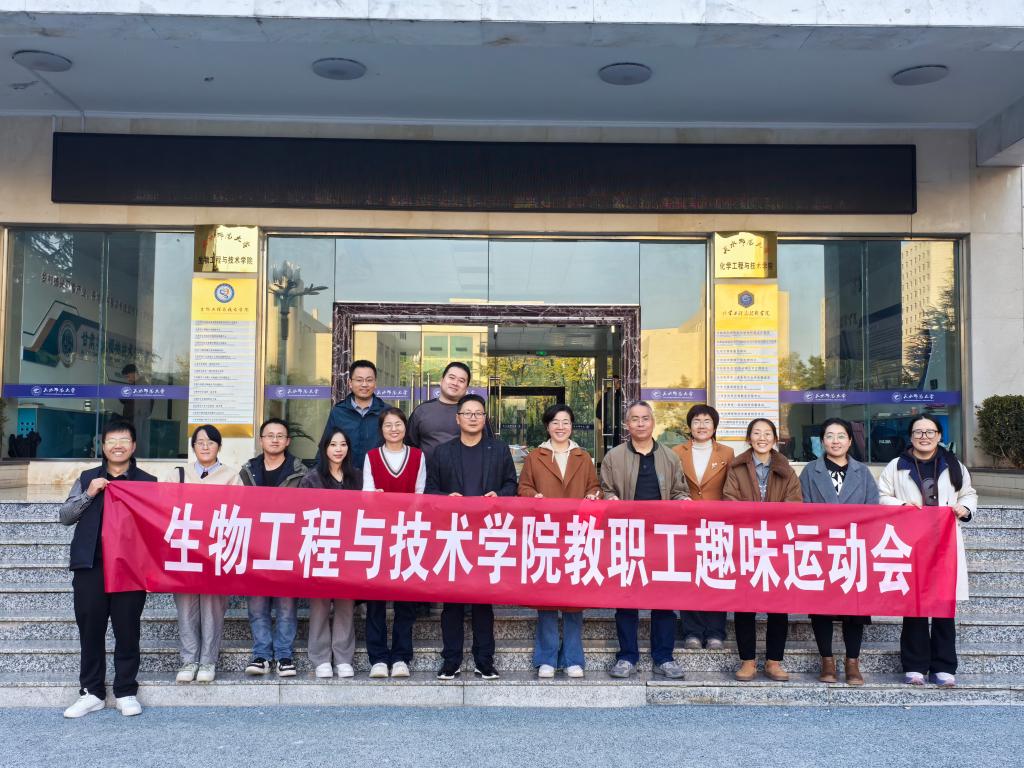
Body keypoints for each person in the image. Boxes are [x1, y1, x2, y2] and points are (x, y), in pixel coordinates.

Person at [59, 420, 157, 718]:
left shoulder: (147, 482)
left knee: (127, 630)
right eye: (111, 440)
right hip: (91, 564)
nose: (117, 445)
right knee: (91, 629)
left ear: (133, 446)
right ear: (103, 446)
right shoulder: (87, 478)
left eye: (123, 440)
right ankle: (92, 692)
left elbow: (156, 525)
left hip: (130, 567)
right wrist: (89, 493)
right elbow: (65, 516)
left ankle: (126, 691)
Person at [878, 415, 976, 688]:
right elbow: (882, 495)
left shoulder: (953, 465)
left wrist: (965, 508)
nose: (924, 436)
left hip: (945, 544)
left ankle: (944, 667)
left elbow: (968, 493)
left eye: (930, 432)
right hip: (911, 543)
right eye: (918, 432)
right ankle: (915, 666)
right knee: (915, 605)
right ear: (910, 436)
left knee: (944, 605)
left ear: (939, 436)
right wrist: (901, 506)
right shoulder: (897, 466)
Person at [426, 394, 518, 680]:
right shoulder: (442, 452)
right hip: (454, 534)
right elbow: (430, 490)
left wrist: (498, 495)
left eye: (478, 413)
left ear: (484, 418)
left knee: (482, 601)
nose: (473, 417)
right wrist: (446, 498)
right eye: (467, 413)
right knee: (452, 601)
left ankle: (484, 660)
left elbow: (511, 485)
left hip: (487, 533)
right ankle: (450, 661)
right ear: (458, 418)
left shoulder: (499, 450)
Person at [600, 400, 690, 680]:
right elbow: (605, 489)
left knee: (664, 599)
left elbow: (679, 490)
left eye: (645, 418)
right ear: (626, 424)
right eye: (634, 419)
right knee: (626, 599)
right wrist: (610, 498)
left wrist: (683, 500)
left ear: (653, 422)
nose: (640, 424)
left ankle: (664, 657)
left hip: (662, 538)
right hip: (627, 537)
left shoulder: (670, 457)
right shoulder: (614, 457)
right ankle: (627, 656)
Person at [518, 404, 600, 679]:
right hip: (547, 533)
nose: (561, 427)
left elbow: (594, 486)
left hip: (576, 533)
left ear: (572, 426)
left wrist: (594, 495)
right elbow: (523, 487)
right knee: (547, 597)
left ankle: (573, 658)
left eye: (566, 422)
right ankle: (547, 658)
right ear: (547, 426)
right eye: (555, 422)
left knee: (575, 598)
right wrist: (534, 497)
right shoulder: (535, 457)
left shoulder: (583, 456)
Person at [799, 417, 879, 686]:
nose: (835, 441)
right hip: (821, 548)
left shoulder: (862, 472)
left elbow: (873, 509)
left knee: (855, 609)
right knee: (821, 608)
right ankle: (827, 661)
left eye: (841, 436)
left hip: (854, 548)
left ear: (850, 440)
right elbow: (802, 508)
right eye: (830, 436)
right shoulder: (810, 471)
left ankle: (852, 663)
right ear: (822, 441)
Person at [723, 417, 802, 682]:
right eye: (756, 433)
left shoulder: (786, 469)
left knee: (778, 605)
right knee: (744, 604)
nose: (762, 438)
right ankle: (747, 661)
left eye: (767, 433)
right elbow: (730, 501)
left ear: (775, 439)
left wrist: (771, 523)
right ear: (749, 438)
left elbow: (794, 503)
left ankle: (773, 661)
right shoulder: (736, 468)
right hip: (746, 543)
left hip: (777, 545)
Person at [165, 425, 242, 684]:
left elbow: (240, 511)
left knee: (213, 609)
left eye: (211, 442)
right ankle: (189, 660)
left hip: (215, 552)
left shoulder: (231, 476)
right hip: (184, 551)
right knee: (186, 608)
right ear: (193, 446)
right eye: (200, 442)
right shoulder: (178, 474)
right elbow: (162, 507)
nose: (205, 446)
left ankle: (208, 661)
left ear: (219, 446)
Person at [362, 408, 425, 679]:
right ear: (381, 429)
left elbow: (421, 493)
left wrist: (406, 517)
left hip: (408, 532)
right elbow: (366, 494)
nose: (394, 429)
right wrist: (375, 500)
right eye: (388, 425)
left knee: (405, 598)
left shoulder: (418, 456)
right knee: (376, 598)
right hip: (378, 533)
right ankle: (377, 657)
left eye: (398, 424)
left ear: (405, 427)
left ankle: (401, 656)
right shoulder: (372, 456)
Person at [240, 418, 306, 678]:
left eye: (280, 436)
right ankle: (261, 655)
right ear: (261, 440)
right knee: (257, 606)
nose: (275, 440)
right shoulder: (247, 471)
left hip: (287, 547)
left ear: (287, 441)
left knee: (287, 606)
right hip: (255, 547)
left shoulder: (300, 472)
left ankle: (284, 656)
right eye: (270, 435)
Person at [299, 427, 362, 679]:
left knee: (346, 604)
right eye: (333, 444)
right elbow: (303, 514)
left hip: (348, 549)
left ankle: (343, 657)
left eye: (343, 444)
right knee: (320, 605)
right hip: (320, 548)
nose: (338, 449)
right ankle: (320, 657)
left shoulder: (357, 477)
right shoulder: (311, 479)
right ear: (324, 448)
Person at [673, 404, 734, 651]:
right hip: (686, 524)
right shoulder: (676, 452)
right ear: (689, 426)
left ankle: (716, 631)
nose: (701, 426)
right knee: (689, 577)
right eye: (696, 421)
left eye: (707, 421)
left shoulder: (727, 453)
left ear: (714, 426)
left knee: (716, 577)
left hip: (718, 524)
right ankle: (692, 632)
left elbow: (732, 487)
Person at [408, 361, 491, 465]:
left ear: (466, 387)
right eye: (451, 378)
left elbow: (489, 446)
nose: (455, 383)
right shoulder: (422, 410)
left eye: (461, 381)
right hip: (427, 473)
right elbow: (409, 446)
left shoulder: (475, 413)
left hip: (467, 472)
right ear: (442, 380)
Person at [321, 359, 389, 470]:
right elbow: (325, 446)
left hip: (378, 475)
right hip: (345, 476)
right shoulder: (338, 412)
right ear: (350, 383)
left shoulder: (387, 412)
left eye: (369, 380)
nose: (364, 384)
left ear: (375, 383)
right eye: (359, 380)